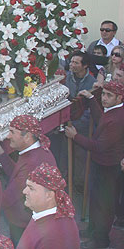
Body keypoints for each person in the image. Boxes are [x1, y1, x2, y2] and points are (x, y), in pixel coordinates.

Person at [64, 81, 124, 249]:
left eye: (109, 95)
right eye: (103, 94)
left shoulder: (118, 118)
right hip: (103, 164)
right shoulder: (113, 111)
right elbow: (102, 119)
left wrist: (75, 137)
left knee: (103, 206)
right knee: (96, 202)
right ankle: (92, 231)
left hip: (108, 167)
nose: (104, 98)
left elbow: (100, 146)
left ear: (120, 98)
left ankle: (100, 241)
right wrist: (92, 99)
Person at [0, 114, 57, 243]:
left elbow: (10, 196)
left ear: (26, 137)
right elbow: (17, 174)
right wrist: (0, 151)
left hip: (22, 223)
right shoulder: (37, 151)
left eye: (12, 132)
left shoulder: (32, 161)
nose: (8, 136)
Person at [17, 163, 80, 249]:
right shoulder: (43, 214)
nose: (24, 191)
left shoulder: (53, 238)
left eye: (31, 188)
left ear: (49, 196)